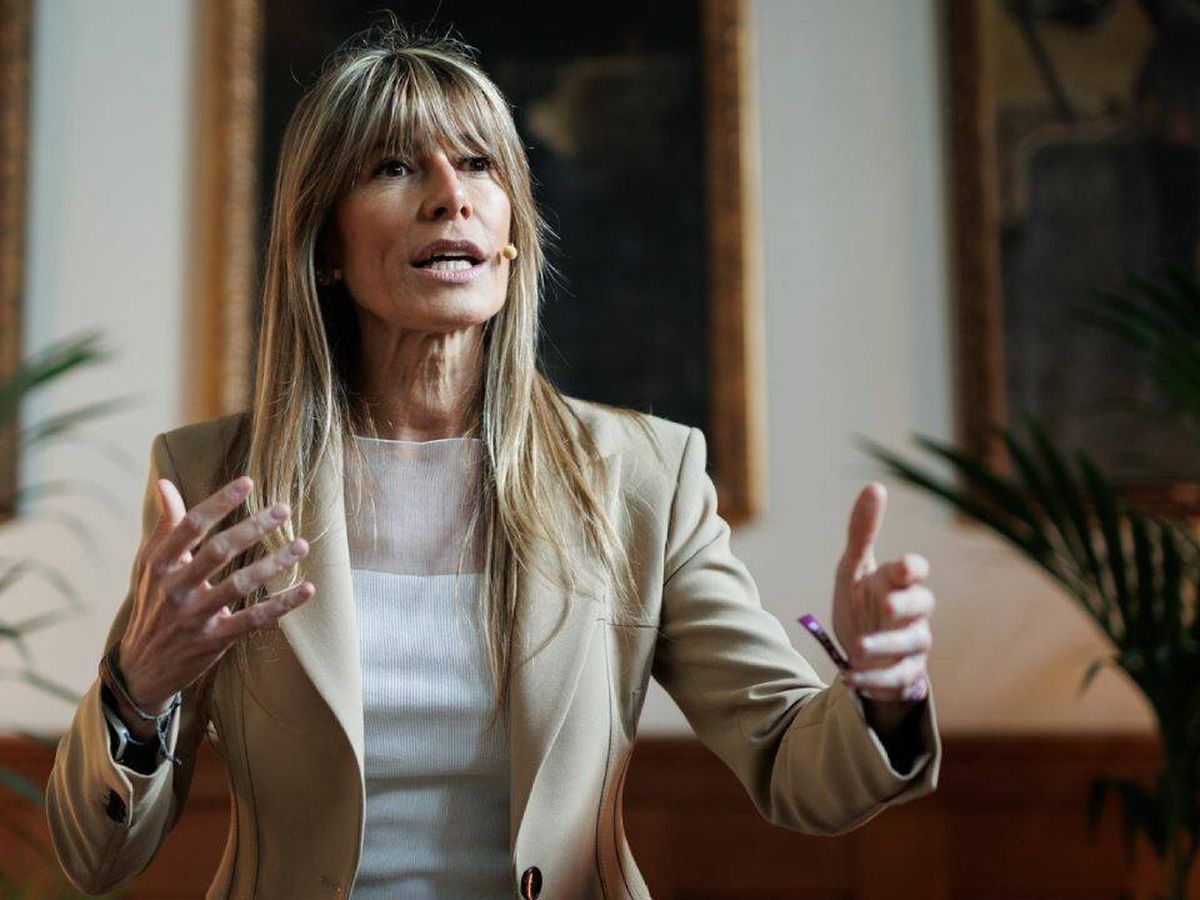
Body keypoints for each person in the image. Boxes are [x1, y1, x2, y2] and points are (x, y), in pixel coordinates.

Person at [44, 19, 941, 900]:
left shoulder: (641, 478)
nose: (450, 194)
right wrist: (139, 683)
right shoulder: (213, 478)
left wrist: (881, 695)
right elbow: (96, 857)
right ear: (324, 246)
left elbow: (791, 759)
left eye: (477, 164)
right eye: (394, 168)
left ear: (510, 229)